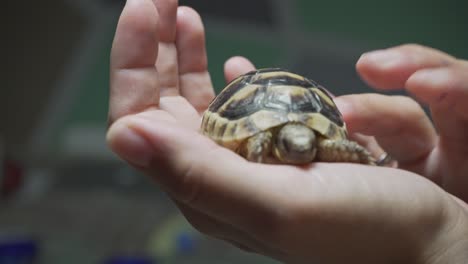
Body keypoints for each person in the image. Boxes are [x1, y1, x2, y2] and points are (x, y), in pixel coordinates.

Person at [106, 0, 468, 263]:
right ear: (279, 140)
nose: (301, 150)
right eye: (294, 145)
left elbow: (343, 150)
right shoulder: (263, 139)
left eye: (307, 145)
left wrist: (446, 235)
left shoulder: (317, 144)